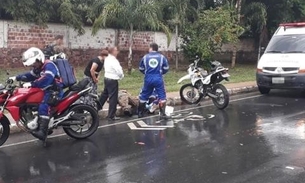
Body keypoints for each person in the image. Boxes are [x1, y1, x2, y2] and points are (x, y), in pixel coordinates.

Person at [9, 47, 63, 141]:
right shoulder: (39, 67)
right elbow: (30, 75)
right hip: (47, 89)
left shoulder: (49, 65)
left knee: (43, 105)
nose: (33, 65)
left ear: (39, 59)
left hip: (54, 90)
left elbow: (46, 79)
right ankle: (41, 123)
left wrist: (32, 84)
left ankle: (43, 132)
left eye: (34, 63)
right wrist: (16, 78)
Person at [138, 43, 169, 119]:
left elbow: (141, 68)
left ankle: (140, 113)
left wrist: (146, 73)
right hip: (158, 78)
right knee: (162, 96)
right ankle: (162, 114)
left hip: (148, 78)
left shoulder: (145, 57)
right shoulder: (162, 57)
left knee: (144, 95)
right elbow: (166, 68)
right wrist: (161, 73)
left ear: (151, 48)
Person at [98, 46, 124, 121]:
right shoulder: (113, 60)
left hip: (107, 78)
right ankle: (111, 115)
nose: (117, 51)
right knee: (113, 97)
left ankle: (97, 108)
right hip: (113, 79)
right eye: (116, 50)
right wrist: (121, 76)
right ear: (113, 51)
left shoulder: (107, 59)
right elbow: (118, 70)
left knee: (104, 95)